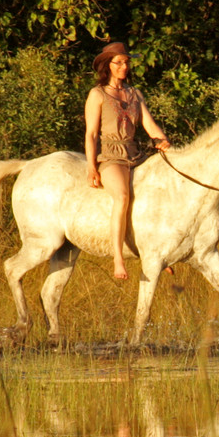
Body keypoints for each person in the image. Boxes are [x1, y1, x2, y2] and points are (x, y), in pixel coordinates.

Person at [85, 42, 171, 280]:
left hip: (136, 154)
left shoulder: (134, 94)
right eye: (119, 63)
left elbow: (150, 125)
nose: (124, 67)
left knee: (160, 191)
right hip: (111, 156)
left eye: (126, 62)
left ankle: (158, 253)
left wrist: (162, 141)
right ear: (108, 66)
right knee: (123, 196)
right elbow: (91, 134)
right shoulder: (97, 94)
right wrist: (92, 167)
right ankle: (118, 259)